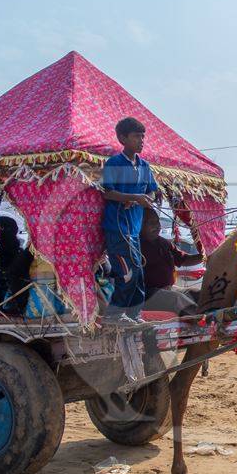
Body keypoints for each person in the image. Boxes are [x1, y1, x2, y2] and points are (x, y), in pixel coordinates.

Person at [100, 117, 157, 324]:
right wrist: (132, 198)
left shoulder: (144, 166)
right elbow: (107, 192)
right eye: (136, 136)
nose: (141, 141)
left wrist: (143, 200)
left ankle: (134, 314)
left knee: (139, 274)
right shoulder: (114, 163)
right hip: (117, 229)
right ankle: (114, 315)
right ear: (122, 138)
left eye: (143, 137)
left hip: (133, 230)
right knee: (127, 273)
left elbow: (151, 193)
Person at [140, 206, 202, 314]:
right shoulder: (135, 247)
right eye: (151, 223)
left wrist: (204, 256)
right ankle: (203, 321)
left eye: (157, 222)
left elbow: (184, 259)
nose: (157, 226)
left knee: (198, 293)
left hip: (168, 289)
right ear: (139, 225)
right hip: (147, 294)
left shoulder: (164, 243)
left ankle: (215, 315)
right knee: (177, 298)